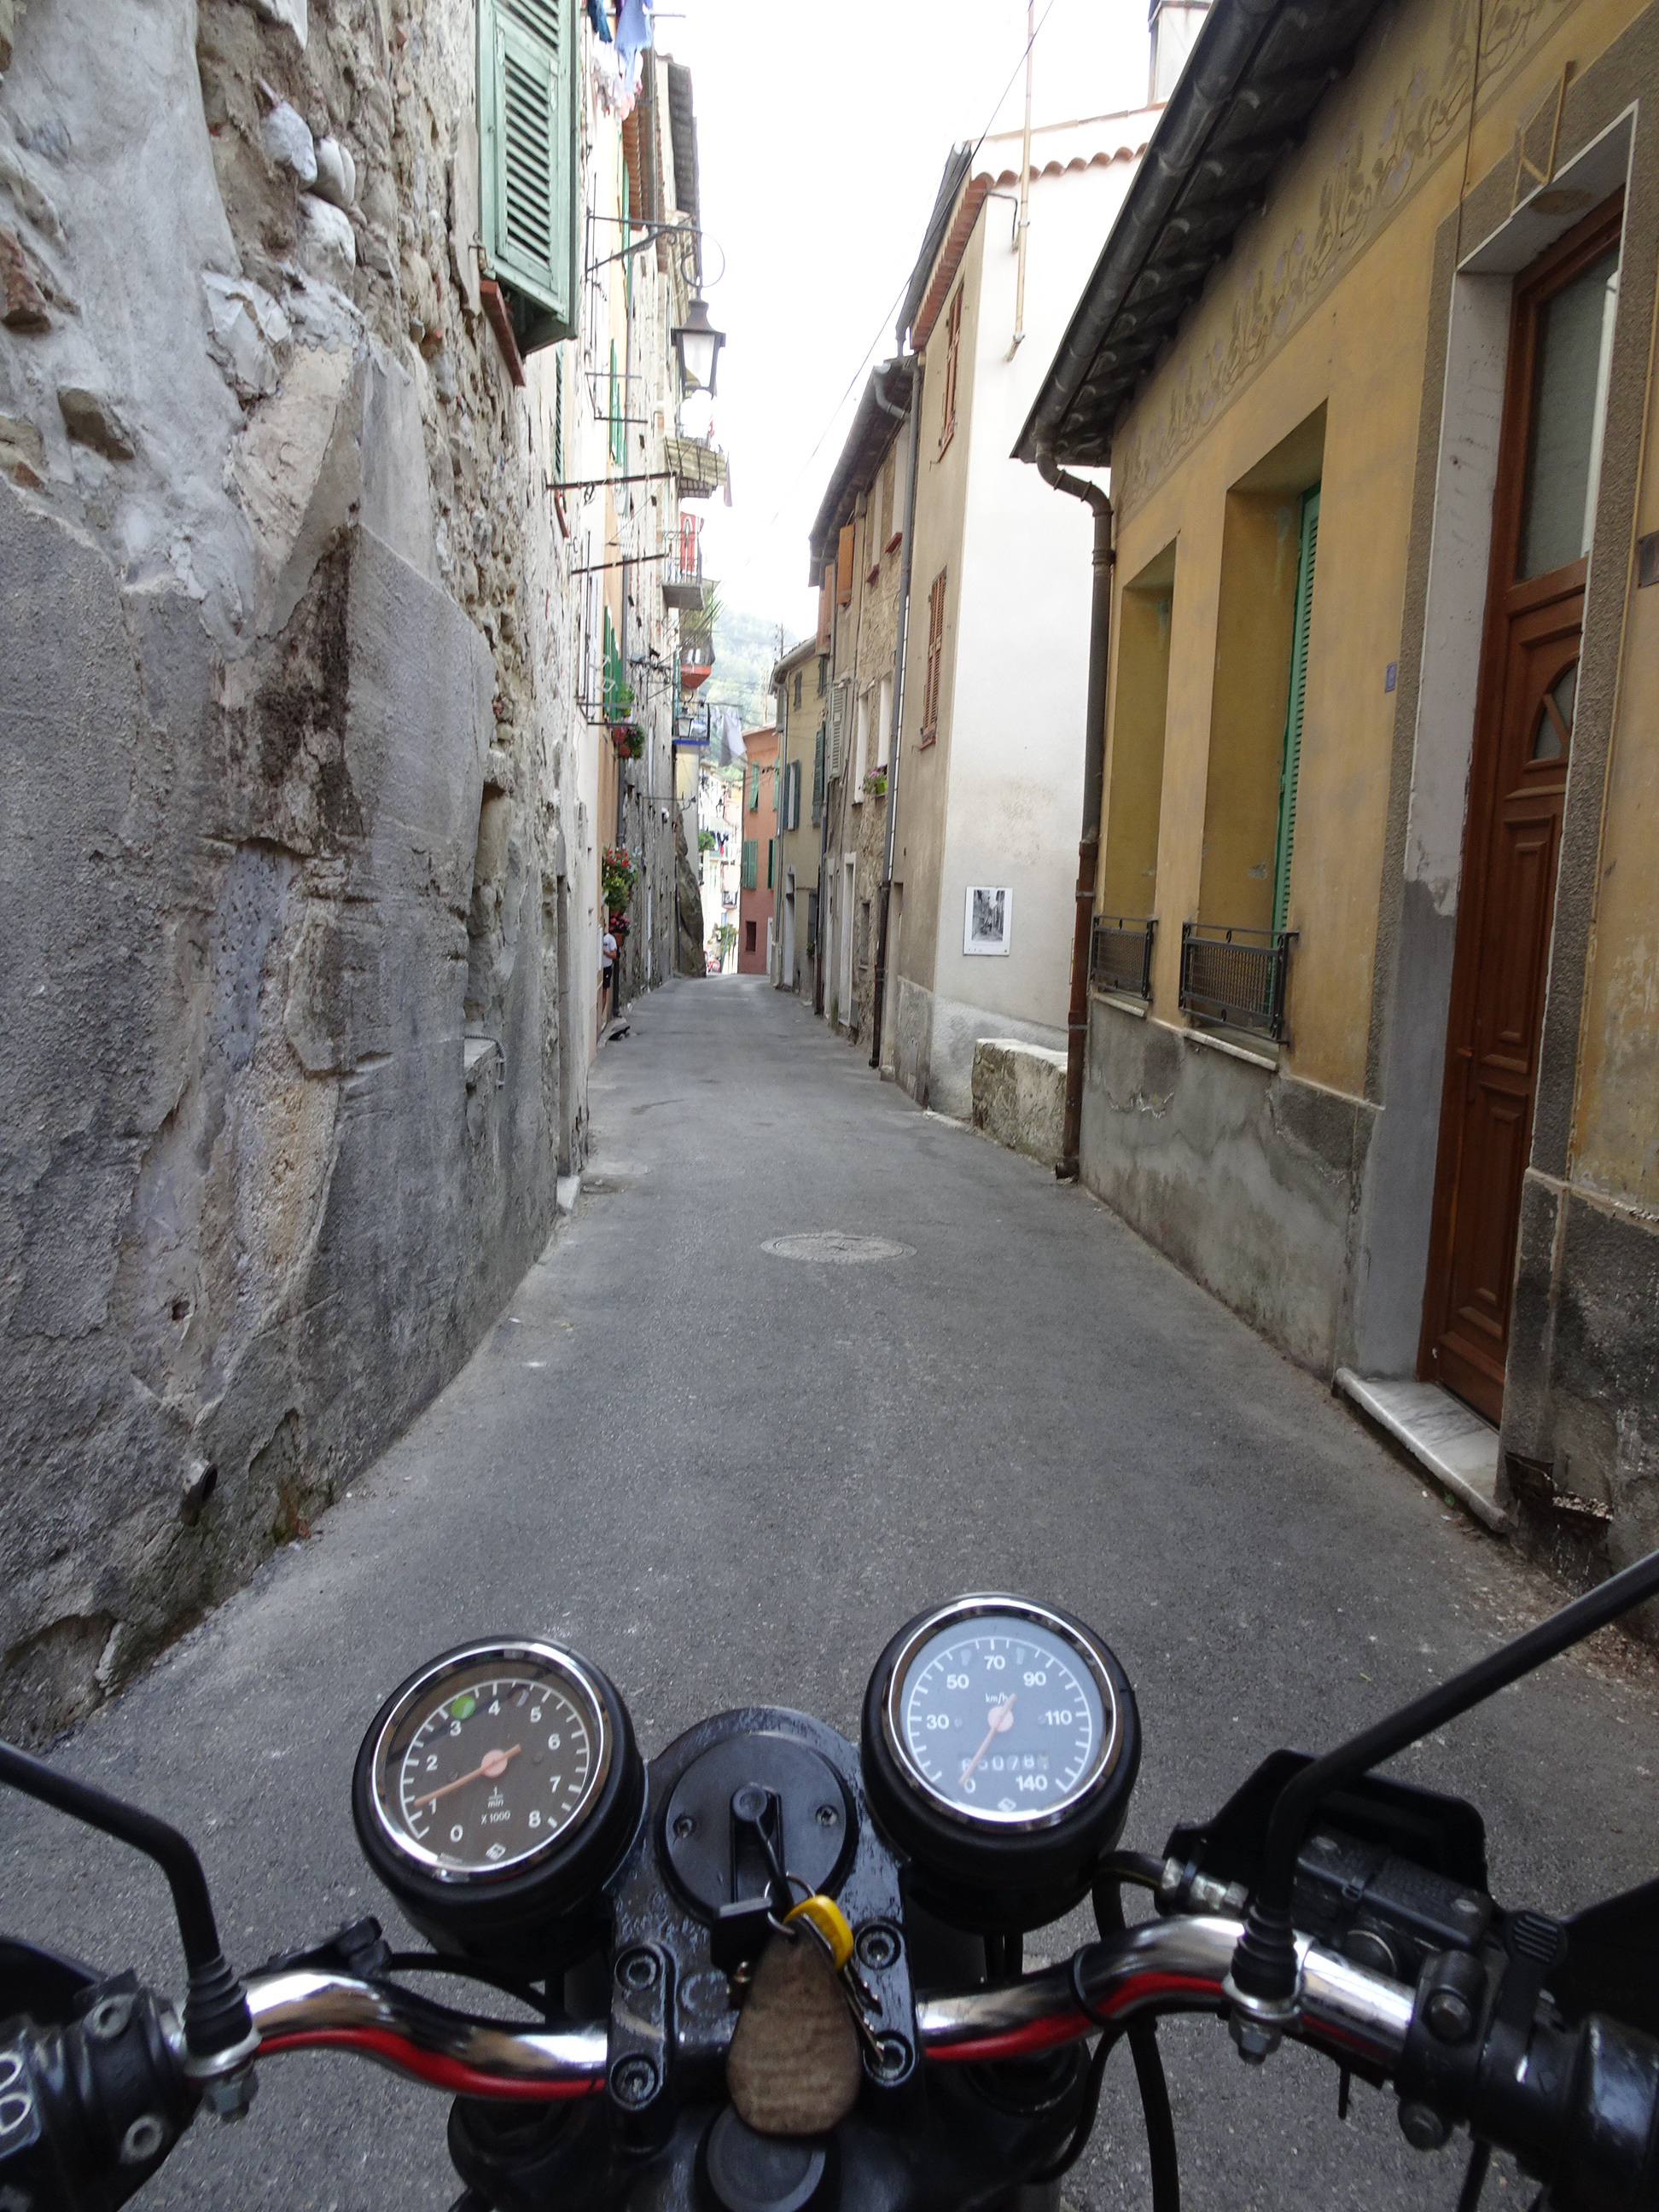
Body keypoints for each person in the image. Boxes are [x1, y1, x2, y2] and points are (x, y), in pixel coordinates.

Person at [600, 928, 618, 1027]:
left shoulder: (610, 939)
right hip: (599, 968)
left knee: (604, 990)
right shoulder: (598, 937)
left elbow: (614, 955)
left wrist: (604, 952)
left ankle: (601, 1015)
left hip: (607, 967)